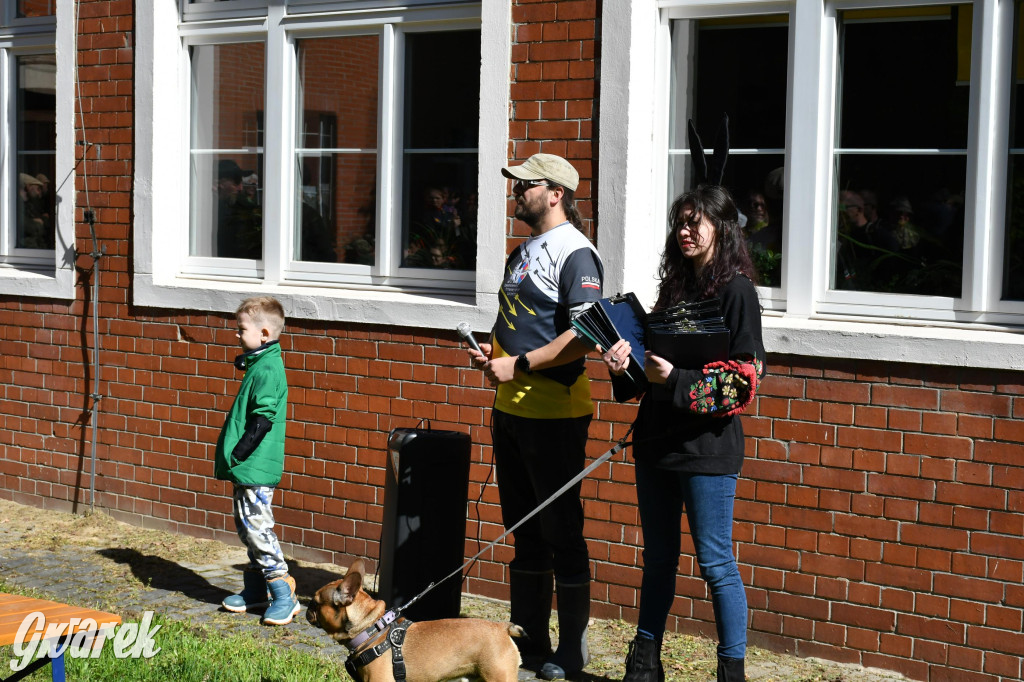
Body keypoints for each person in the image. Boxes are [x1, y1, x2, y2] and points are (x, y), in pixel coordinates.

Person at [599, 185, 766, 682]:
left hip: (707, 450)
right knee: (659, 559)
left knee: (715, 561)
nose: (685, 231)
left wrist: (675, 379)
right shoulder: (675, 290)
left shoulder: (737, 292)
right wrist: (621, 364)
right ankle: (646, 661)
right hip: (656, 443)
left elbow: (742, 384)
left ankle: (730, 671)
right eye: (680, 222)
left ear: (723, 228)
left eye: (696, 222)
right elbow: (646, 377)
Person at [468, 153, 603, 680]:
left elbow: (587, 335)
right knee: (522, 527)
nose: (516, 191)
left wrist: (519, 363)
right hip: (511, 410)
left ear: (556, 193)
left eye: (525, 184)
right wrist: (494, 357)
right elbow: (521, 323)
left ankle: (571, 650)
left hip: (555, 413)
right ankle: (528, 638)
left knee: (560, 530)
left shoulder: (576, 253)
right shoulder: (523, 252)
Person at [215, 296, 299, 626]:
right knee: (247, 529)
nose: (237, 335)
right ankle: (255, 592)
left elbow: (264, 417)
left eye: (241, 329)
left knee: (258, 529)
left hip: (254, 465)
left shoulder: (268, 370)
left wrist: (240, 453)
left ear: (264, 333)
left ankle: (284, 595)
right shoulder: (261, 364)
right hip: (247, 467)